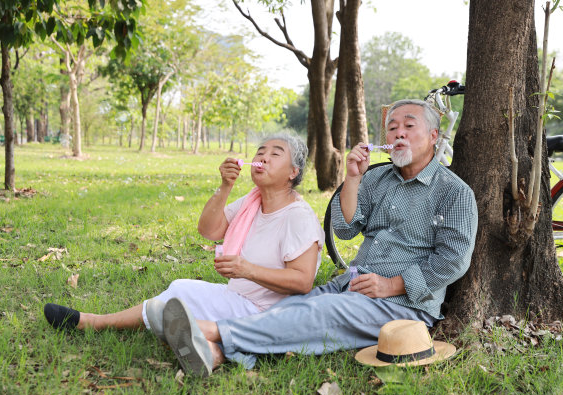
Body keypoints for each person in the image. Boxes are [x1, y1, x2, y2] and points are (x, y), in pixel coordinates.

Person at [159, 99, 479, 377]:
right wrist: (353, 179)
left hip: (404, 304)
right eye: (392, 128)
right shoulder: (377, 178)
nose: (398, 134)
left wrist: (391, 284)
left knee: (318, 314)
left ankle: (209, 330)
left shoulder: (453, 193)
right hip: (354, 283)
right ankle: (216, 353)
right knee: (293, 308)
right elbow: (345, 229)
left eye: (409, 126)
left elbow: (453, 259)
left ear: (434, 136)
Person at [43, 134, 325, 346]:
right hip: (238, 298)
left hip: (265, 313)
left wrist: (246, 269)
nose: (262, 157)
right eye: (260, 151)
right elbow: (209, 231)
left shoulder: (297, 216)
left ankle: (94, 323)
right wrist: (225, 187)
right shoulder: (252, 201)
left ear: (293, 172)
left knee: (174, 300)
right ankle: (191, 335)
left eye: (275, 154)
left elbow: (302, 282)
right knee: (179, 289)